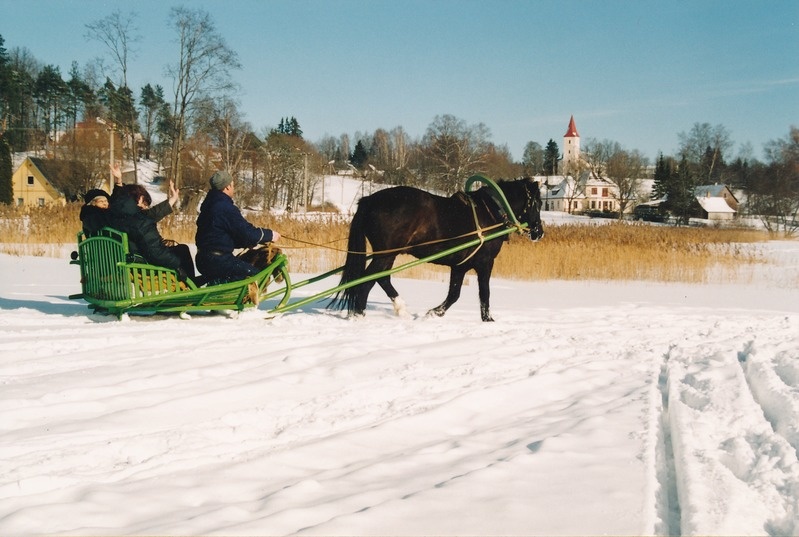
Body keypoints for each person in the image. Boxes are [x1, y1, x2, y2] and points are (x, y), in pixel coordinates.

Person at [195, 170, 281, 284]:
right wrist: (270, 235)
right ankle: (221, 294)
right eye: (233, 185)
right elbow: (247, 232)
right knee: (255, 275)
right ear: (227, 187)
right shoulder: (224, 207)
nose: (233, 188)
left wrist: (246, 243)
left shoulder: (209, 204)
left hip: (204, 259)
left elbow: (219, 237)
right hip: (218, 261)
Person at [107, 184, 196, 281]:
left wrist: (172, 200)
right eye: (145, 204)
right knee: (182, 251)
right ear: (140, 199)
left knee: (181, 249)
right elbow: (156, 252)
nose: (146, 208)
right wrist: (177, 265)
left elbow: (151, 214)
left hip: (126, 262)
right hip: (142, 267)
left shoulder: (114, 215)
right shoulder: (140, 221)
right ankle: (190, 285)